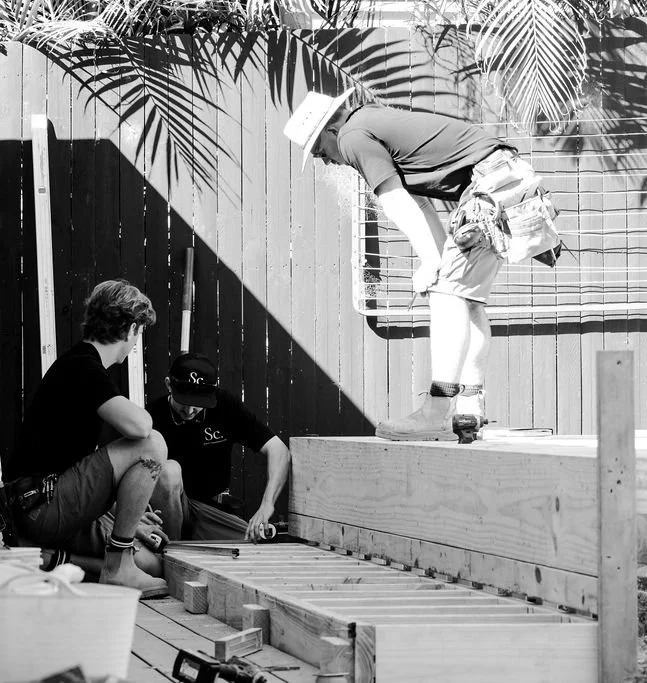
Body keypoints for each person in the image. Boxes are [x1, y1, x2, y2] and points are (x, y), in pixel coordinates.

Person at [284, 90, 559, 441]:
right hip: (505, 178)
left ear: (328, 131)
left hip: (490, 185)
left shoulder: (353, 137)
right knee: (466, 298)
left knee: (448, 296)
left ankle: (437, 411)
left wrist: (432, 264)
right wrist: (437, 260)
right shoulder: (371, 125)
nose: (325, 160)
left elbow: (396, 202)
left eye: (320, 151)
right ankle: (469, 409)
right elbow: (421, 206)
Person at [2, 279, 168, 594]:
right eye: (139, 333)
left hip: (39, 505)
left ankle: (52, 560)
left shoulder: (80, 364)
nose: (136, 343)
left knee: (151, 564)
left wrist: (126, 515)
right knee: (152, 445)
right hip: (40, 506)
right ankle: (118, 566)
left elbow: (74, 466)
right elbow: (141, 429)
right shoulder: (83, 366)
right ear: (131, 328)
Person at [146, 352, 291, 542]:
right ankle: (171, 552)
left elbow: (279, 450)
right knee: (169, 471)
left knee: (260, 545)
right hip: (167, 510)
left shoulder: (225, 406)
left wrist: (267, 505)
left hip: (211, 509)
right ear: (168, 385)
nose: (189, 411)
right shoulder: (151, 416)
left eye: (197, 404)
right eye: (184, 401)